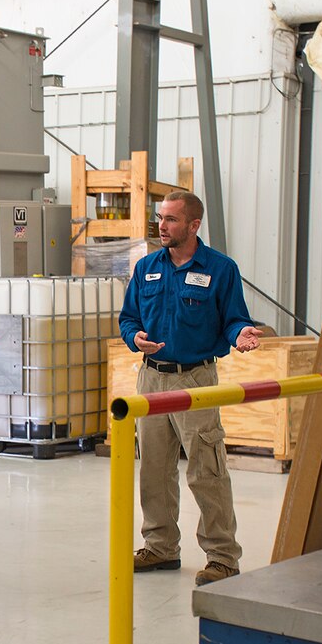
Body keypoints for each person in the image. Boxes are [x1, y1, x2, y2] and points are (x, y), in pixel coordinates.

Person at [118, 191, 263, 587]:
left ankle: (222, 556)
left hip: (195, 379)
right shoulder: (146, 267)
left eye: (171, 220)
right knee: (154, 467)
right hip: (150, 379)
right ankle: (160, 546)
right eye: (160, 218)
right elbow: (127, 318)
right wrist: (136, 338)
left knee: (206, 468)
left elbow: (234, 319)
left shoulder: (220, 269)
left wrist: (242, 334)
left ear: (194, 225)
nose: (161, 226)